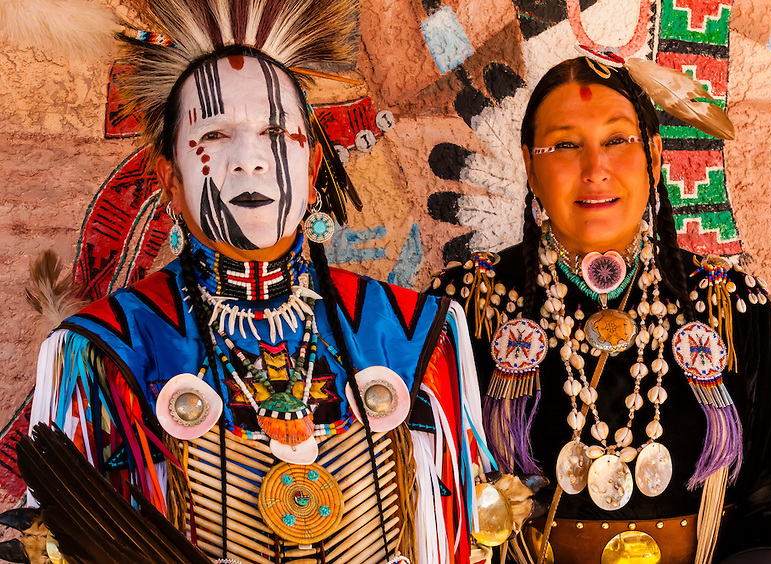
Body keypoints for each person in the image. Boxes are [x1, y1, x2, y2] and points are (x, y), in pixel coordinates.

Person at [2, 1, 496, 563]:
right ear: (169, 178)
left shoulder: (412, 334)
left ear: (311, 170)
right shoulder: (108, 348)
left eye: (276, 132)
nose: (249, 159)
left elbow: (462, 536)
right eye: (214, 134)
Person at [431, 50, 771, 564]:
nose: (595, 169)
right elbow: (428, 511)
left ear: (654, 155)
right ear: (529, 165)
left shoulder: (731, 308)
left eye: (616, 140)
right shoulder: (462, 310)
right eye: (565, 145)